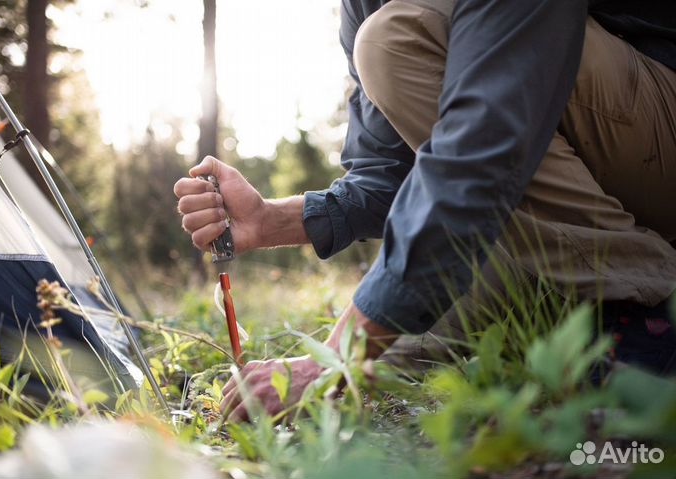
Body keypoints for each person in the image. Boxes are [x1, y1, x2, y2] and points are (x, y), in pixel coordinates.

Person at [174, 0, 676, 422]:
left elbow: (483, 145)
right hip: (550, 164)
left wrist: (338, 358)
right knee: (406, 345)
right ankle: (580, 303)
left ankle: (640, 312)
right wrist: (269, 220)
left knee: (392, 41)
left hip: (657, 122)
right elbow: (389, 172)